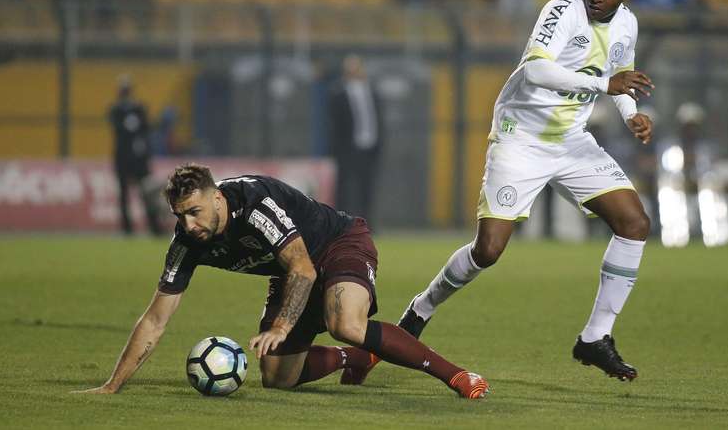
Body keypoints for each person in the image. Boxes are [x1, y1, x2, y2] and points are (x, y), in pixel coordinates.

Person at [345, 0, 655, 385]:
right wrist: (608, 86)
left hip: (570, 140)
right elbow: (536, 71)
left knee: (634, 223)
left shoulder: (628, 25)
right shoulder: (562, 10)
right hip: (522, 137)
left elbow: (622, 79)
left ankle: (595, 337)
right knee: (488, 250)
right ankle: (420, 310)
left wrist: (632, 115)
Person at [74, 164, 489, 398]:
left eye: (195, 211)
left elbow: (305, 269)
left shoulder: (253, 204)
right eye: (180, 215)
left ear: (217, 197)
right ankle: (355, 359)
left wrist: (282, 326)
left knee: (345, 324)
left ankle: (457, 377)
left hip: (337, 244)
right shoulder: (188, 242)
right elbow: (155, 319)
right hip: (291, 271)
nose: (189, 223)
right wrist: (112, 386)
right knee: (277, 376)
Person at [328, 55, 383, 227]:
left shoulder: (371, 90)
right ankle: (342, 225)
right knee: (344, 188)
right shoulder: (338, 92)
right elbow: (335, 124)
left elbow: (377, 118)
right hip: (347, 148)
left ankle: (366, 224)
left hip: (369, 146)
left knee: (366, 188)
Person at [107, 75, 162, 236]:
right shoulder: (116, 110)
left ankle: (153, 226)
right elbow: (118, 128)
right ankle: (128, 228)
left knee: (146, 192)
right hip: (124, 158)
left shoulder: (139, 109)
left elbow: (146, 128)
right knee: (125, 194)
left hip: (138, 158)